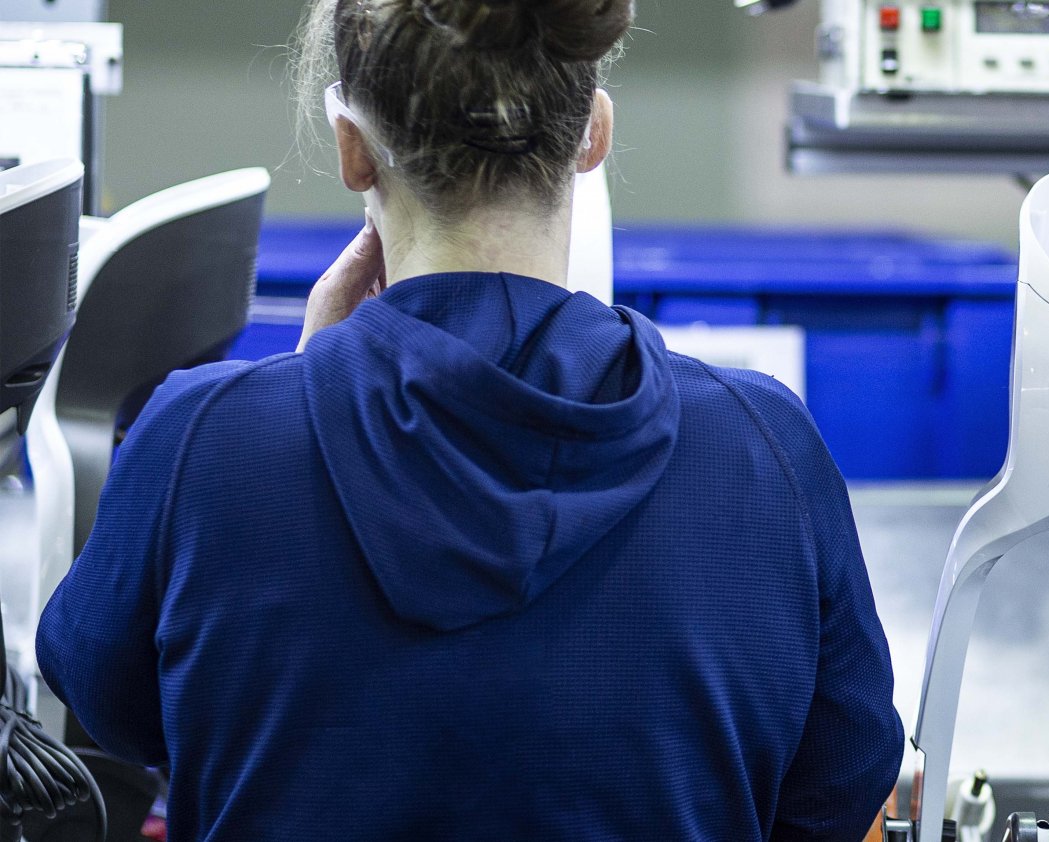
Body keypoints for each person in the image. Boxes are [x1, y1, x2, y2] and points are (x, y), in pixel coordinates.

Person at [35, 1, 902, 838]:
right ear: (594, 134)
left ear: (352, 150)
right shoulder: (765, 448)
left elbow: (107, 705)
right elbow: (838, 788)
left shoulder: (201, 441)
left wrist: (299, 389)